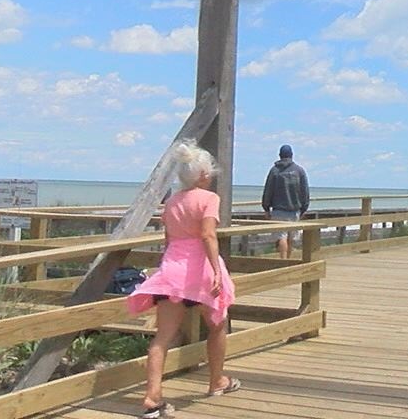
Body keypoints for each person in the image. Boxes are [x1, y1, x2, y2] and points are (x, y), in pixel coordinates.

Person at [127, 141, 239, 418]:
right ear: (203, 175)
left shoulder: (172, 201)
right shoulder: (209, 199)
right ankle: (216, 381)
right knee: (217, 325)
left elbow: (169, 239)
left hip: (173, 271)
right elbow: (208, 235)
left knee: (162, 337)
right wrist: (215, 270)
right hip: (200, 269)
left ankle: (152, 398)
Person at [262, 144, 309, 259]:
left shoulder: (274, 171)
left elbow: (268, 189)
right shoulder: (299, 171)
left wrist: (266, 207)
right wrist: (304, 208)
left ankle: (282, 260)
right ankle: (288, 260)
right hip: (294, 210)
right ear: (292, 155)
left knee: (281, 236)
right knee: (291, 237)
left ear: (280, 155)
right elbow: (305, 191)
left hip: (278, 210)